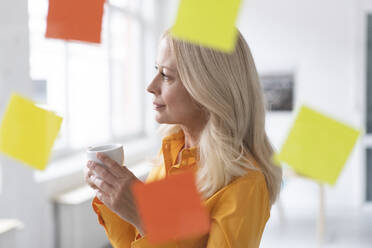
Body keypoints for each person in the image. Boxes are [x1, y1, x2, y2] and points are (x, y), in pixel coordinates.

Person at [84, 29, 282, 248]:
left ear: (206, 88)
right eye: (156, 70)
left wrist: (145, 216)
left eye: (166, 75)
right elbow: (135, 242)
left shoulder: (244, 184)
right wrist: (112, 195)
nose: (151, 87)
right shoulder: (174, 153)